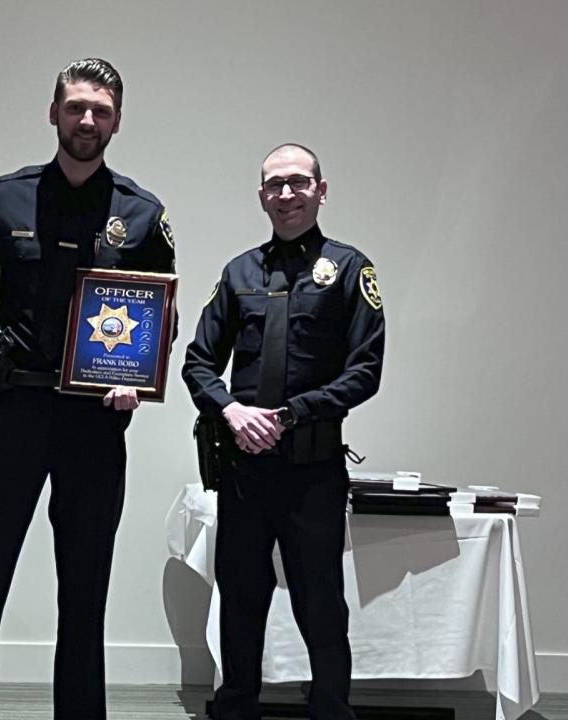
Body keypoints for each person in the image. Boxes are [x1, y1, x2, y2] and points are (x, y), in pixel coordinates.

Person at [0, 58, 176, 720]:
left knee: (84, 591)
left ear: (118, 121)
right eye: (77, 107)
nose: (88, 120)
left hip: (94, 423)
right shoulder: (5, 199)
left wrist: (136, 383)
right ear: (53, 113)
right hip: (11, 412)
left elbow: (160, 320)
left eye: (102, 110)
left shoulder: (141, 215)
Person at [181, 143, 385, 720]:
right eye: (274, 184)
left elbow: (365, 372)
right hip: (244, 468)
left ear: (322, 190)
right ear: (261, 195)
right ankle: (237, 707)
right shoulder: (238, 272)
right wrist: (230, 410)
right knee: (241, 600)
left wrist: (293, 413)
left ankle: (330, 711)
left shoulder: (350, 269)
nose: (286, 194)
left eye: (298, 182)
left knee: (321, 604)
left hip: (312, 471)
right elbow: (198, 361)